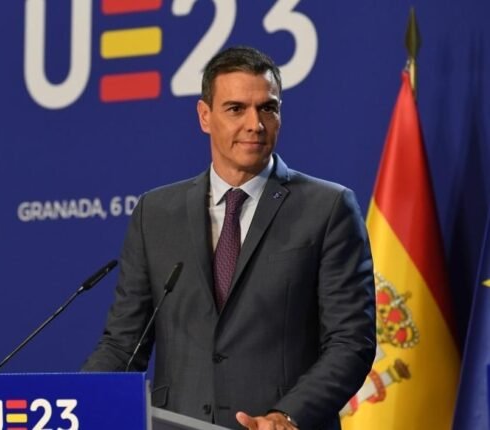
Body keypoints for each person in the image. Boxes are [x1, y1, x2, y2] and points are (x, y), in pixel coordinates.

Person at [82, 46, 376, 430]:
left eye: (267, 108)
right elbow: (124, 344)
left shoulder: (328, 207)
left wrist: (286, 415)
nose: (255, 124)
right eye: (236, 109)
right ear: (204, 116)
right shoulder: (155, 213)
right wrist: (74, 401)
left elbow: (350, 342)